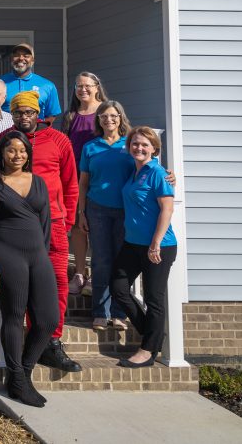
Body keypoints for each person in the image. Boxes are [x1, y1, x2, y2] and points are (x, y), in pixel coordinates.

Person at [0, 91, 80, 372]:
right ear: (11, 114)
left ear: (38, 113)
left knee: (58, 282)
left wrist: (66, 222)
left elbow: (70, 184)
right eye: (18, 113)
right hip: (17, 228)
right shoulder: (2, 141)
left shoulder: (59, 140)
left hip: (54, 223)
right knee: (23, 287)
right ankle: (31, 340)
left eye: (29, 112)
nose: (24, 118)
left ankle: (51, 342)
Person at [0, 130, 57, 407]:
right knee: (14, 316)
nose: (17, 155)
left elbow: (45, 223)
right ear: (1, 154)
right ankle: (18, 382)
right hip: (6, 256)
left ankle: (23, 372)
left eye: (22, 150)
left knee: (48, 320)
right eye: (11, 150)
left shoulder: (39, 182)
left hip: (38, 257)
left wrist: (42, 256)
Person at [111, 126, 178, 368]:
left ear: (154, 149)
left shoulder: (157, 173)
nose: (139, 148)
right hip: (133, 244)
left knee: (153, 298)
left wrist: (156, 243)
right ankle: (153, 334)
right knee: (118, 287)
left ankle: (148, 350)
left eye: (144, 144)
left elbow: (167, 209)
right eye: (135, 144)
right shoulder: (135, 172)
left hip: (157, 246)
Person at [76, 100, 132, 332]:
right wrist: (82, 213)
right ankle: (100, 312)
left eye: (113, 115)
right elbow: (83, 183)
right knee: (100, 260)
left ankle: (119, 313)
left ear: (120, 117)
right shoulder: (91, 147)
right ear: (98, 120)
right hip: (97, 208)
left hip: (126, 210)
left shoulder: (130, 144)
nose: (108, 120)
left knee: (122, 261)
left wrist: (169, 175)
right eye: (103, 116)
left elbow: (149, 166)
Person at [62, 72, 109, 297]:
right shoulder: (71, 116)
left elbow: (124, 139)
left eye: (87, 86)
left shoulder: (106, 111)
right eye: (79, 86)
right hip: (74, 176)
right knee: (78, 226)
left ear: (97, 87)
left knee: (97, 227)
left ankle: (94, 275)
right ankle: (79, 273)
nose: (83, 90)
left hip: (100, 175)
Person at [0, 43, 61, 126]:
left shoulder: (47, 85)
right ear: (12, 59)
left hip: (35, 136)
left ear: (32, 60)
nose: (21, 58)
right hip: (6, 135)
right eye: (17, 55)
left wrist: (39, 130)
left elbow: (51, 115)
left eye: (26, 55)